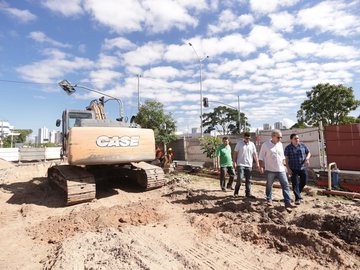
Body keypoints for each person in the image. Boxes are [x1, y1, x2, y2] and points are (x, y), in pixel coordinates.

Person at [258, 129, 296, 209]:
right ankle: (269, 199)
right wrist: (261, 166)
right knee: (269, 185)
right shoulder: (265, 145)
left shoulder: (280, 144)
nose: (280, 139)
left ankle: (287, 202)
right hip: (270, 170)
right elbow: (261, 156)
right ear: (273, 136)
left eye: (281, 137)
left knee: (285, 185)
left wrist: (286, 168)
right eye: (278, 137)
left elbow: (282, 157)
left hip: (281, 169)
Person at [284, 133, 311, 205]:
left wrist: (307, 158)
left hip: (302, 167)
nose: (297, 140)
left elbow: (308, 152)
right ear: (291, 140)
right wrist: (288, 169)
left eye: (298, 138)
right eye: (295, 138)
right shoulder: (288, 148)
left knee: (304, 182)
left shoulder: (302, 145)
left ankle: (297, 194)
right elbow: (286, 159)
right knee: (295, 183)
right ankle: (298, 198)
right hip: (293, 168)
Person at [233, 132, 260, 198]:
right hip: (240, 164)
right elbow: (235, 153)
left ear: (250, 138)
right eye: (246, 138)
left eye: (248, 138)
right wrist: (234, 162)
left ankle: (248, 193)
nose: (247, 139)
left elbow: (254, 154)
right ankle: (236, 192)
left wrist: (257, 163)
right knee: (239, 179)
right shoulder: (239, 143)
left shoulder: (252, 144)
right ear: (244, 137)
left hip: (249, 165)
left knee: (248, 180)